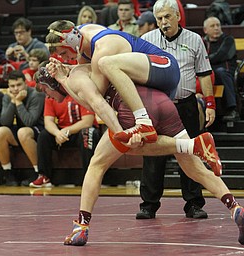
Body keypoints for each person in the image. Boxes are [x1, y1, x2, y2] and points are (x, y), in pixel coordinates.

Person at [36, 64, 244, 246]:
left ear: (52, 81)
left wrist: (123, 131)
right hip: (161, 101)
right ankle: (235, 207)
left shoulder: (75, 77)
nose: (50, 98)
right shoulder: (89, 65)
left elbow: (101, 106)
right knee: (195, 168)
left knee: (98, 164)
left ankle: (81, 227)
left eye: (46, 91)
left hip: (132, 107)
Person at [135, 0, 216, 220]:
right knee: (152, 156)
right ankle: (148, 205)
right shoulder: (145, 41)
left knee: (189, 155)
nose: (163, 22)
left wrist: (210, 104)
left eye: (167, 17)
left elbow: (205, 74)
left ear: (178, 16)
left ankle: (193, 204)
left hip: (186, 105)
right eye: (159, 18)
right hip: (157, 108)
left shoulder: (194, 39)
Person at [45, 19, 180, 145]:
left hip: (165, 67)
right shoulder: (81, 35)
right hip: (150, 77)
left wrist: (64, 80)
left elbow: (95, 99)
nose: (64, 58)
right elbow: (91, 72)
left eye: (63, 53)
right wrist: (67, 68)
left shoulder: (102, 48)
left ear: (72, 42)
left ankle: (143, 120)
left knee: (105, 63)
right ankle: (189, 146)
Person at [29, 93, 98, 188]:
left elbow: (87, 122)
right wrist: (57, 133)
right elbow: (48, 122)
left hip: (80, 130)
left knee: (87, 133)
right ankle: (44, 176)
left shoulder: (81, 93)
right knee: (44, 135)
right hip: (62, 131)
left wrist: (67, 130)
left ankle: (90, 177)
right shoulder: (51, 96)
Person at [0, 70, 45, 186]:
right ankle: (8, 173)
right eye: (12, 86)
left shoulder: (36, 94)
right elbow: (5, 122)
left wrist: (19, 103)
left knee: (23, 132)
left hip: (39, 129)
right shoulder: (8, 97)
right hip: (22, 129)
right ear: (8, 87)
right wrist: (13, 101)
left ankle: (39, 172)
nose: (15, 89)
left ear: (25, 84)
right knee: (0, 132)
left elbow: (29, 121)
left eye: (19, 85)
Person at [203, 16, 240, 122]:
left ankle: (232, 109)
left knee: (220, 72)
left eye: (218, 25)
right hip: (210, 73)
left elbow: (222, 55)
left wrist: (205, 59)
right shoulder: (203, 42)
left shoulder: (228, 40)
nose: (216, 28)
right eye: (212, 26)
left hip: (226, 72)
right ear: (205, 30)